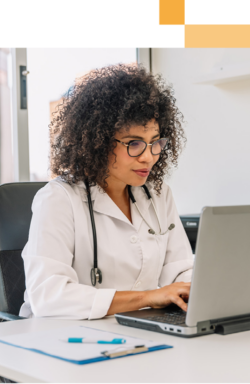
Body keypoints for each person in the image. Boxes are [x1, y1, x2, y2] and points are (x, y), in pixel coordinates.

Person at [19, 64, 193, 320]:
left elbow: (181, 270)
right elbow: (49, 296)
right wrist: (148, 298)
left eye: (155, 142)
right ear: (96, 140)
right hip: (64, 336)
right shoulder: (58, 199)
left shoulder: (157, 194)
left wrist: (193, 290)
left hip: (138, 330)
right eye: (134, 143)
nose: (148, 157)